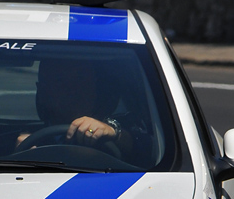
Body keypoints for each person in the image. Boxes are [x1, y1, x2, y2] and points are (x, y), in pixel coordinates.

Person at [16, 58, 152, 164]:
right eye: (60, 81)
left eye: (80, 79)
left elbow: (153, 151)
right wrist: (17, 158)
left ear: (95, 87)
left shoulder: (123, 128)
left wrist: (115, 134)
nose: (72, 90)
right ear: (43, 92)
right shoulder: (24, 141)